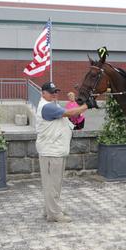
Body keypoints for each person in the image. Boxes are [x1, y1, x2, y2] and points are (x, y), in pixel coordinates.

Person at [36, 81, 91, 222]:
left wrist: (80, 106)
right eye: (51, 92)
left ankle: (50, 209)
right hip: (51, 152)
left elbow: (69, 115)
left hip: (55, 150)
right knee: (52, 184)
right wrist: (87, 106)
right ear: (43, 93)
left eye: (56, 91)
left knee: (54, 183)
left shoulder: (52, 105)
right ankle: (53, 214)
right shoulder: (47, 107)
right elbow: (69, 112)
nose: (55, 94)